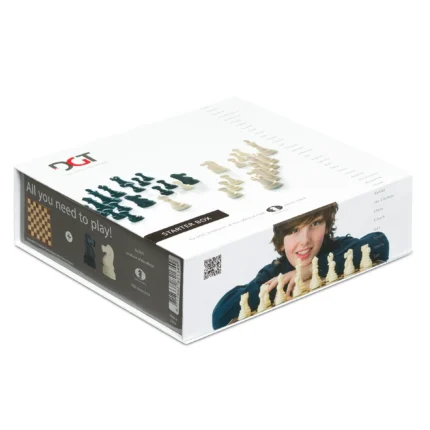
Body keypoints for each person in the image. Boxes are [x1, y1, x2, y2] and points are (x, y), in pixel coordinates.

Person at [212, 203, 389, 330]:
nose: (305, 240)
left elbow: (379, 241)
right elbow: (219, 317)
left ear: (327, 226)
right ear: (281, 242)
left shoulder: (340, 248)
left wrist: (311, 270)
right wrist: (283, 287)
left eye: (315, 224)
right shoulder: (275, 271)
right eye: (294, 230)